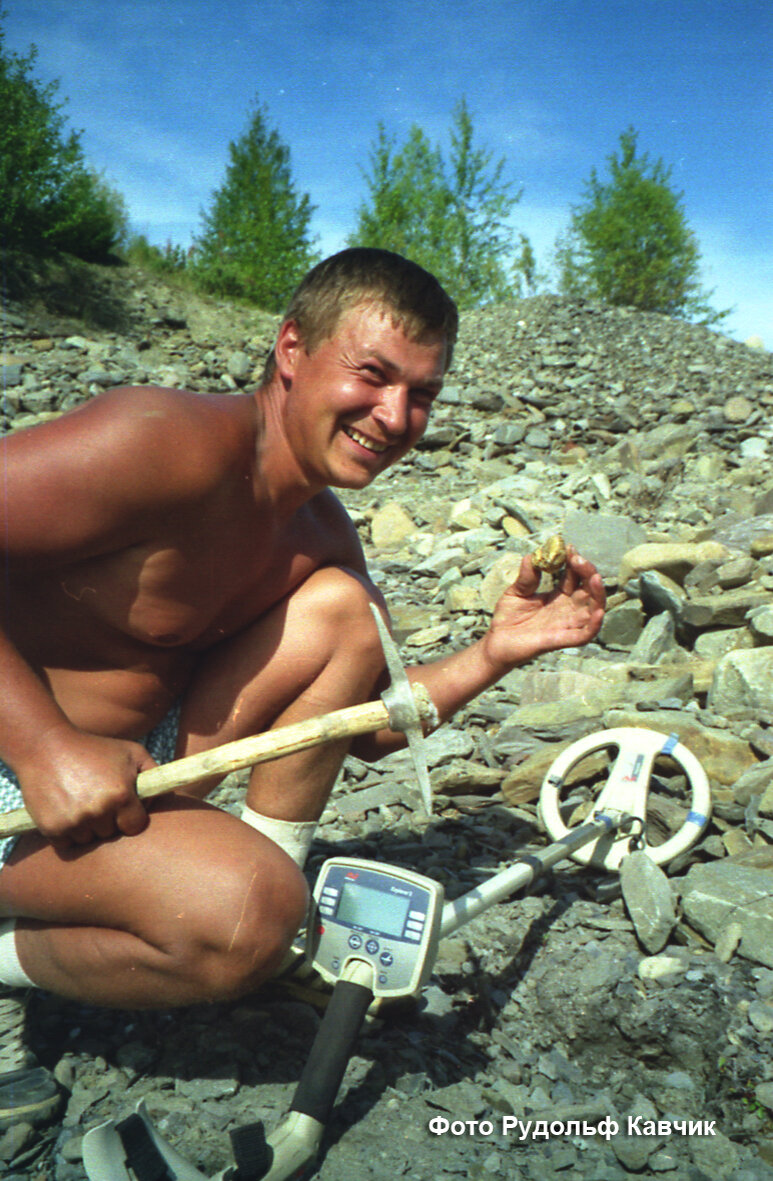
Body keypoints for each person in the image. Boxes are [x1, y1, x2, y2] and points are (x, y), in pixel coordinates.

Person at [0, 248, 605, 1125]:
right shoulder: (160, 441)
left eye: (422, 393)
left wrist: (497, 651)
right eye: (373, 374)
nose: (396, 415)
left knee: (344, 614)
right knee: (242, 914)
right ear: (291, 349)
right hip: (17, 779)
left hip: (121, 775)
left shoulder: (319, 531)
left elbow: (363, 729)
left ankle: (248, 921)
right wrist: (41, 745)